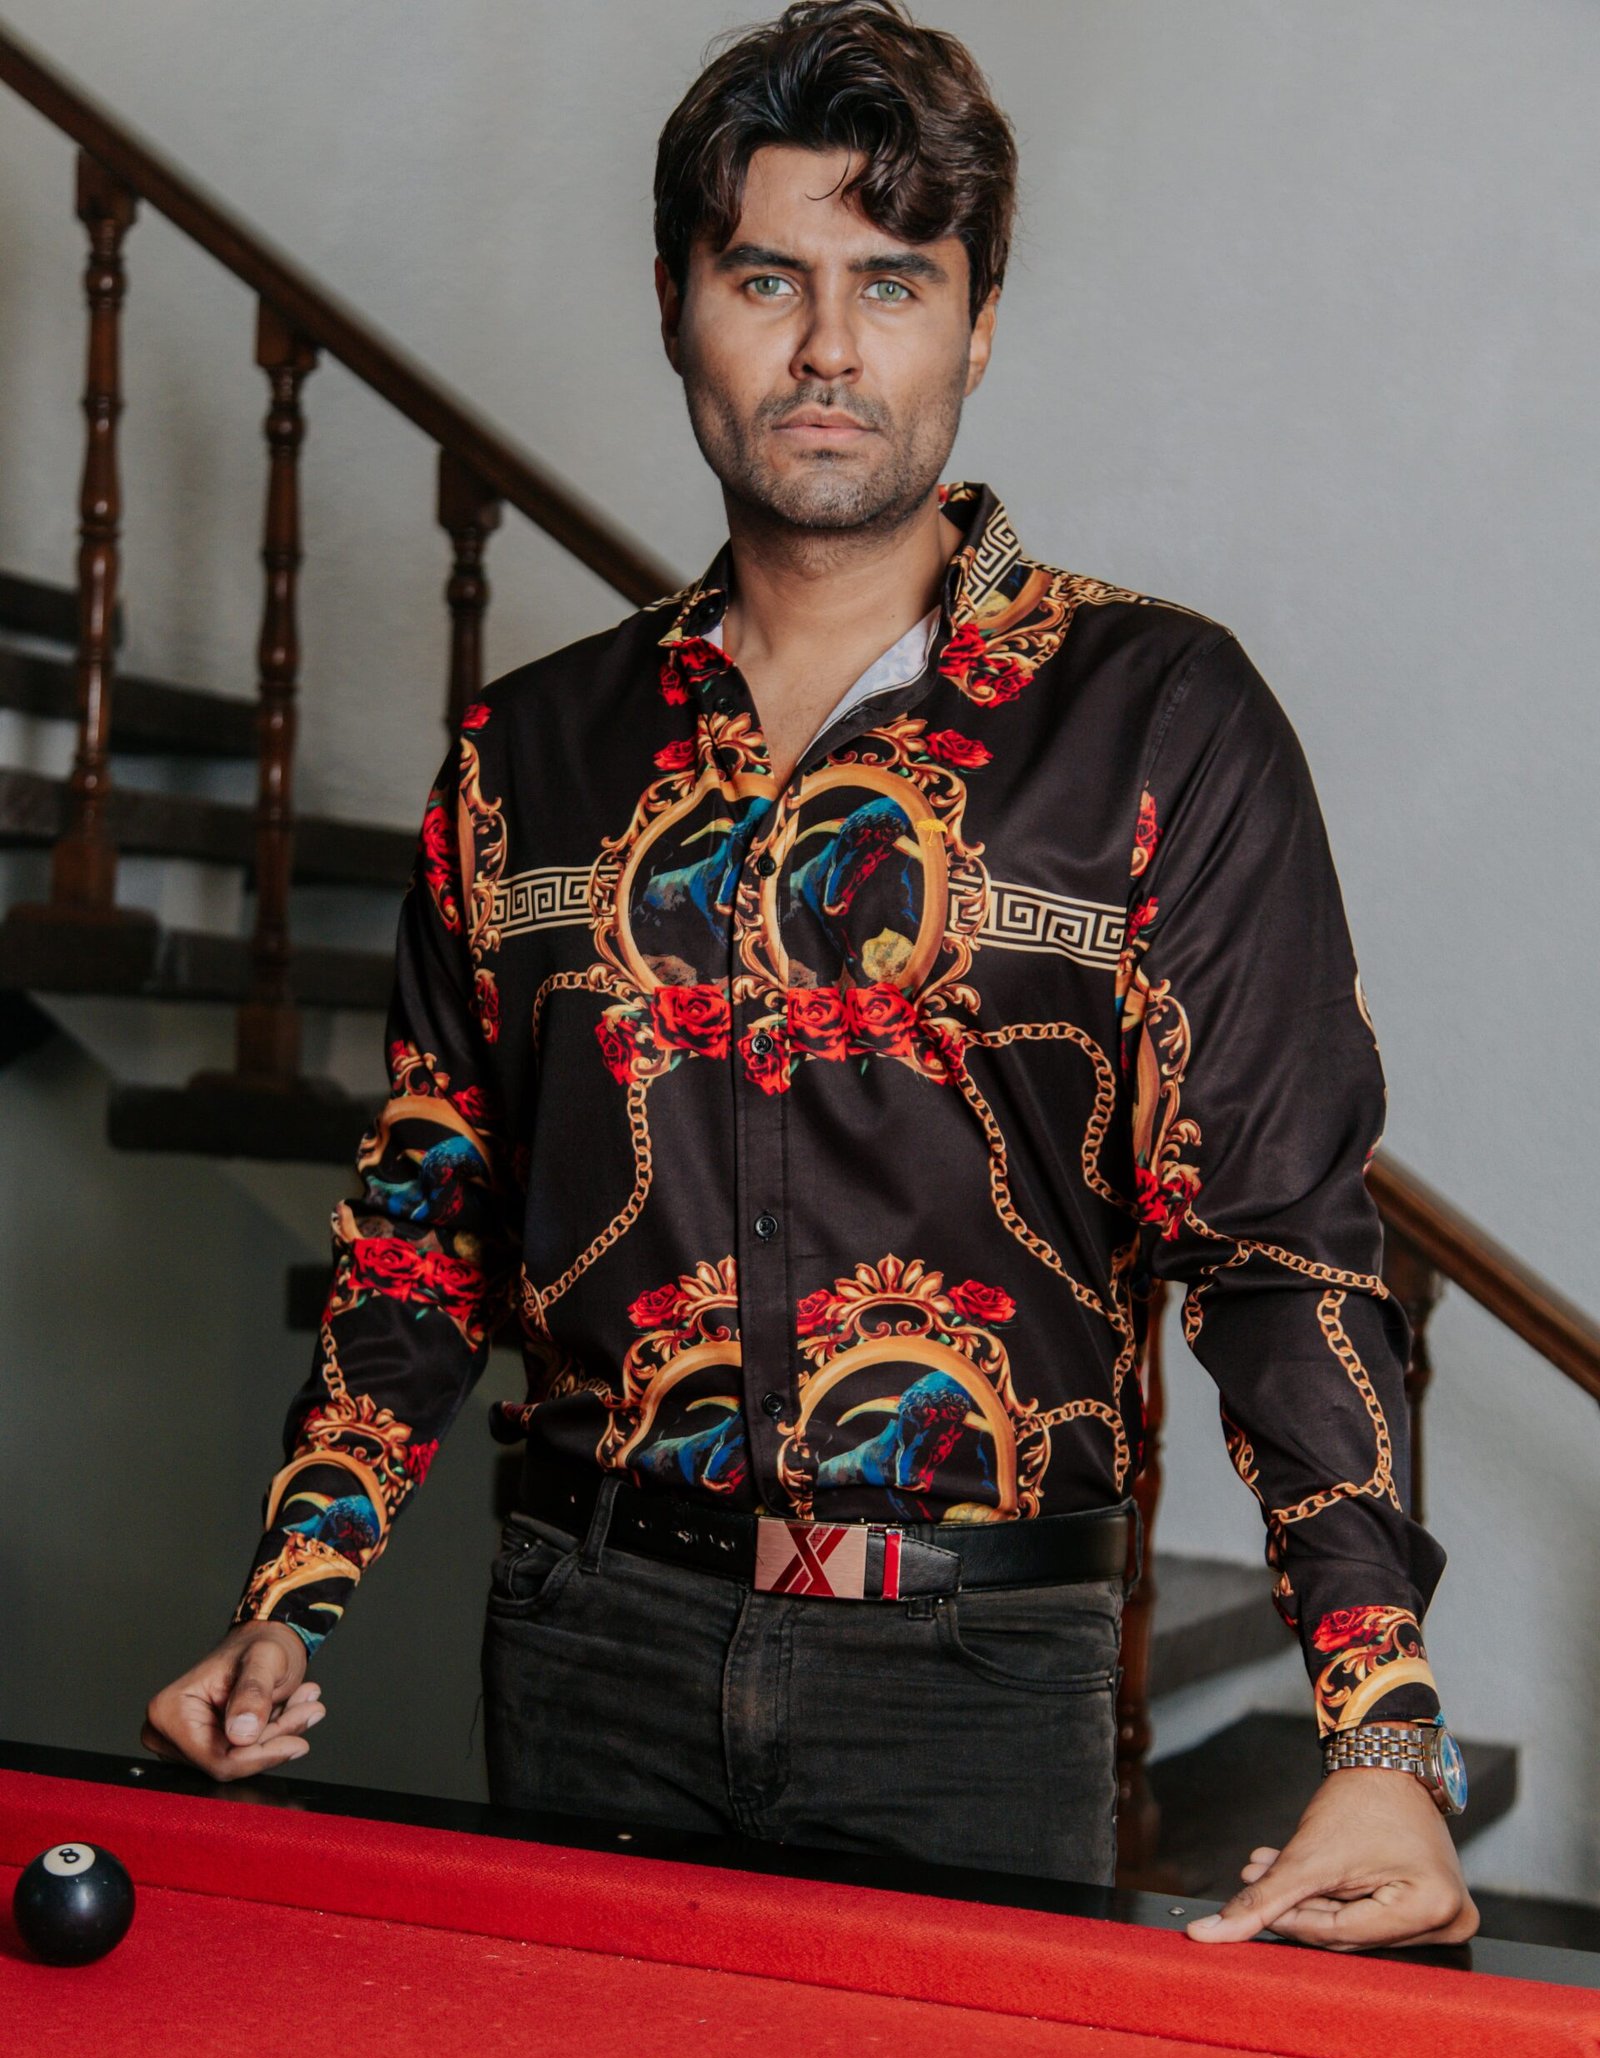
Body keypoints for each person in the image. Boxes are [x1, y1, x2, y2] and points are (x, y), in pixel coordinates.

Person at [144, 0, 1477, 1951]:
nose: (830, 348)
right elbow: (423, 1228)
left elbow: (1278, 1245)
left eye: (894, 282)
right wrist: (291, 1595)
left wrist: (1382, 1727)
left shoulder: (1160, 722)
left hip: (971, 1675)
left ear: (978, 322)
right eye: (767, 277)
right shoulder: (525, 758)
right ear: (677, 306)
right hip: (584, 1633)